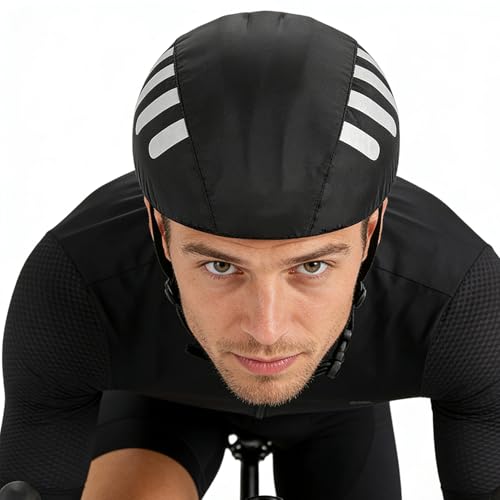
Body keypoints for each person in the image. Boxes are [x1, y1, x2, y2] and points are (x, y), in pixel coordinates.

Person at [0, 10, 499, 500]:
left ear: (371, 233)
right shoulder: (75, 284)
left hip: (339, 415)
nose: (266, 332)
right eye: (220, 265)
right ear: (158, 229)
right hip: (161, 405)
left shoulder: (460, 301)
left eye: (311, 266)